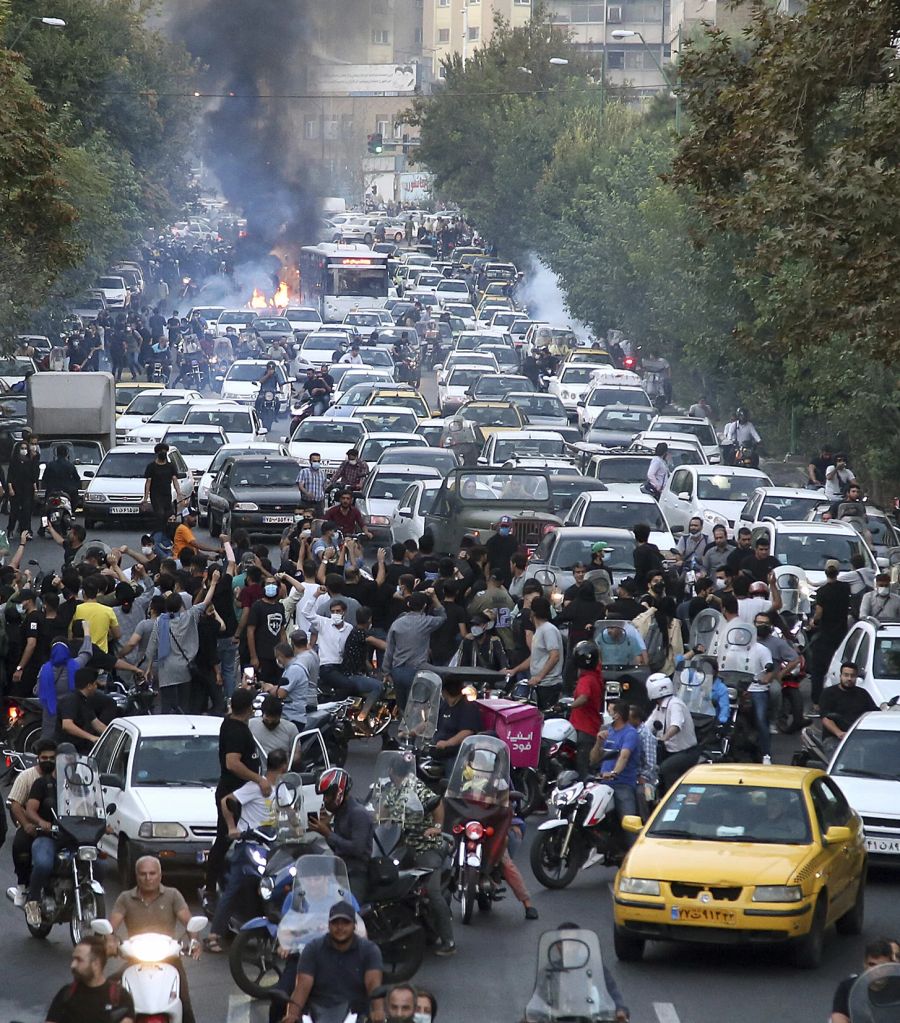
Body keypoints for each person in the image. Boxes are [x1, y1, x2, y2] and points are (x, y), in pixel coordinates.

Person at [207, 748, 289, 952]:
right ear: (284, 767)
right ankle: (214, 935)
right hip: (250, 845)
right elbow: (226, 801)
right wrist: (233, 828)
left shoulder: (282, 789)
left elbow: (289, 811)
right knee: (235, 886)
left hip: (272, 846)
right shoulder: (255, 786)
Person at [107, 856, 199, 1023]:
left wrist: (194, 940)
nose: (148, 878)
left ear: (160, 875)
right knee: (107, 990)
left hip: (170, 960)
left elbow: (189, 922)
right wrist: (110, 940)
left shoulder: (172, 895)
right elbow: (111, 926)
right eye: (143, 874)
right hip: (135, 959)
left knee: (183, 1001)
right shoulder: (125, 898)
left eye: (152, 873)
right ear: (136, 875)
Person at [381, 754, 456, 957]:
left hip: (426, 847)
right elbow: (382, 811)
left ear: (391, 771)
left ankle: (448, 941)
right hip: (402, 848)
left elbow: (437, 804)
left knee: (432, 892)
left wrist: (437, 827)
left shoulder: (416, 788)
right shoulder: (392, 789)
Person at [204, 688, 268, 903]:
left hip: (245, 794)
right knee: (224, 840)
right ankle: (211, 889)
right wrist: (258, 779)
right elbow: (232, 763)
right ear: (249, 708)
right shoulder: (235, 731)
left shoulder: (234, 723)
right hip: (233, 794)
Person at [282, 899, 384, 1023]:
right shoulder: (312, 949)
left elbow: (374, 986)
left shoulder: (369, 950)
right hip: (317, 1013)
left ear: (354, 925)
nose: (340, 927)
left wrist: (378, 1011)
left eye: (345, 922)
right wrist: (292, 1015)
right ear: (329, 925)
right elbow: (302, 987)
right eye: (335, 922)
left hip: (355, 1013)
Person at [309, 767, 373, 902]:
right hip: (340, 870)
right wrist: (327, 831)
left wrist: (327, 833)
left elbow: (357, 849)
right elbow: (338, 848)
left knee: (349, 909)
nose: (325, 800)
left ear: (338, 793)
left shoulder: (358, 814)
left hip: (356, 873)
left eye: (327, 795)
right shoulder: (340, 813)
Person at [45, 935, 135, 1023]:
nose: (73, 965)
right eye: (73, 959)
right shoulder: (66, 994)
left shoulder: (120, 997)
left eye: (79, 960)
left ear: (96, 964)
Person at [591, 700, 640, 856]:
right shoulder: (607, 731)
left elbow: (624, 756)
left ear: (618, 715)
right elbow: (593, 760)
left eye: (610, 711)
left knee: (628, 823)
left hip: (622, 784)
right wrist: (598, 743)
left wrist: (614, 773)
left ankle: (635, 856)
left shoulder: (630, 733)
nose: (607, 714)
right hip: (602, 784)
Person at [383, 590, 446, 709]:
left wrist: (386, 672)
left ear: (408, 605)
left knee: (402, 708)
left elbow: (389, 650)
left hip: (398, 672)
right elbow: (442, 616)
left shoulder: (396, 624)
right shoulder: (426, 622)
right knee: (415, 709)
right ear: (424, 606)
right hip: (417, 671)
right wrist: (434, 596)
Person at [646, 672, 699, 794]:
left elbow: (676, 725)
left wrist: (664, 738)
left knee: (665, 769)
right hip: (670, 752)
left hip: (687, 752)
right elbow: (647, 727)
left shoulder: (675, 704)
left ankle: (674, 798)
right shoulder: (659, 708)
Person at [809, 561, 851, 706]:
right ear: (838, 572)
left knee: (818, 669)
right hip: (842, 635)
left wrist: (813, 622)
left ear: (825, 572)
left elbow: (819, 613)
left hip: (825, 635)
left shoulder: (822, 592)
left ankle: (816, 703)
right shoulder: (845, 588)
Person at [830, 937, 897, 1023]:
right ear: (864, 964)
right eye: (872, 965)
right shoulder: (848, 987)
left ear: (891, 966)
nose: (877, 970)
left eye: (883, 966)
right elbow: (838, 1016)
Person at [818, 662, 879, 752]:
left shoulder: (863, 693)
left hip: (859, 738)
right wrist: (839, 733)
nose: (849, 678)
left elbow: (873, 713)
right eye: (846, 675)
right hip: (834, 738)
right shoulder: (828, 693)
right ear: (840, 676)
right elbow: (826, 718)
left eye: (852, 676)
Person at [570, 640, 604, 778]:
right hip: (591, 726)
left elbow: (584, 697)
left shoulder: (586, 680)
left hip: (584, 728)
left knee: (583, 770)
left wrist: (568, 706)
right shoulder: (595, 675)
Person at [249, 693, 300, 757]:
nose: (270, 723)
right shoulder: (251, 724)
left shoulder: (291, 728)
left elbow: (296, 754)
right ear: (262, 714)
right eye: (267, 720)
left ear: (280, 716)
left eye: (274, 721)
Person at [143, 443, 179, 526]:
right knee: (160, 514)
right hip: (156, 495)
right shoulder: (151, 467)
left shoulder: (170, 466)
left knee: (168, 514)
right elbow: (148, 482)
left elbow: (175, 479)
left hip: (167, 494)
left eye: (165, 451)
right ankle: (160, 531)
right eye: (161, 451)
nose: (163, 453)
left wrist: (179, 493)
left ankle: (166, 531)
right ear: (157, 453)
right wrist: (145, 498)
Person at [7, 440, 38, 536]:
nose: (24, 450)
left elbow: (33, 477)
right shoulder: (14, 461)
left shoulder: (30, 461)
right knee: (14, 511)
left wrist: (35, 489)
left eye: (25, 448)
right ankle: (10, 529)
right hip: (16, 489)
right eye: (22, 448)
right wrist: (10, 488)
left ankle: (26, 531)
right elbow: (10, 476)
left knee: (27, 511)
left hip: (27, 489)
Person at [41, 445, 81, 515]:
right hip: (68, 492)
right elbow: (77, 479)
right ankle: (72, 513)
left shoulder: (50, 465)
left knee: (45, 511)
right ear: (66, 454)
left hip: (52, 491)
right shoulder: (70, 465)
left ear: (56, 453)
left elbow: (44, 479)